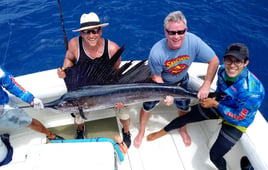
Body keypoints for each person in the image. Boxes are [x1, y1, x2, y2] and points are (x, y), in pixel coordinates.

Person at [147, 43, 265, 170]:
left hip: (236, 122)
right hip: (219, 104)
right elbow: (220, 91)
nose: (232, 65)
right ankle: (162, 132)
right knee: (187, 117)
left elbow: (238, 117)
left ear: (246, 63)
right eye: (229, 60)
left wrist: (215, 104)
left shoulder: (252, 92)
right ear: (224, 59)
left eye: (238, 61)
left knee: (214, 156)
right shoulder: (222, 71)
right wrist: (212, 99)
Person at [133, 11, 219, 148]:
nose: (176, 36)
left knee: (183, 107)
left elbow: (214, 61)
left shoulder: (194, 41)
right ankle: (142, 130)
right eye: (172, 32)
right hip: (159, 85)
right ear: (165, 32)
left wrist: (207, 84)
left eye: (180, 32)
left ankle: (182, 128)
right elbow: (156, 77)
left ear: (186, 30)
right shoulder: (157, 52)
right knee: (147, 107)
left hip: (181, 81)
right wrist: (166, 93)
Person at [57, 12, 131, 148]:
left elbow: (115, 73)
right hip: (84, 91)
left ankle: (126, 132)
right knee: (78, 115)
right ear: (81, 33)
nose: (91, 35)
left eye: (95, 31)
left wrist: (118, 98)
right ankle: (80, 130)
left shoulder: (112, 49)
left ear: (100, 31)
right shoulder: (74, 44)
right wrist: (65, 71)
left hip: (107, 89)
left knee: (124, 111)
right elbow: (69, 59)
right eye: (86, 32)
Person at [0, 67, 64, 142]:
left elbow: (11, 85)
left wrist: (30, 99)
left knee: (29, 122)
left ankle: (51, 135)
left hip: (4, 109)